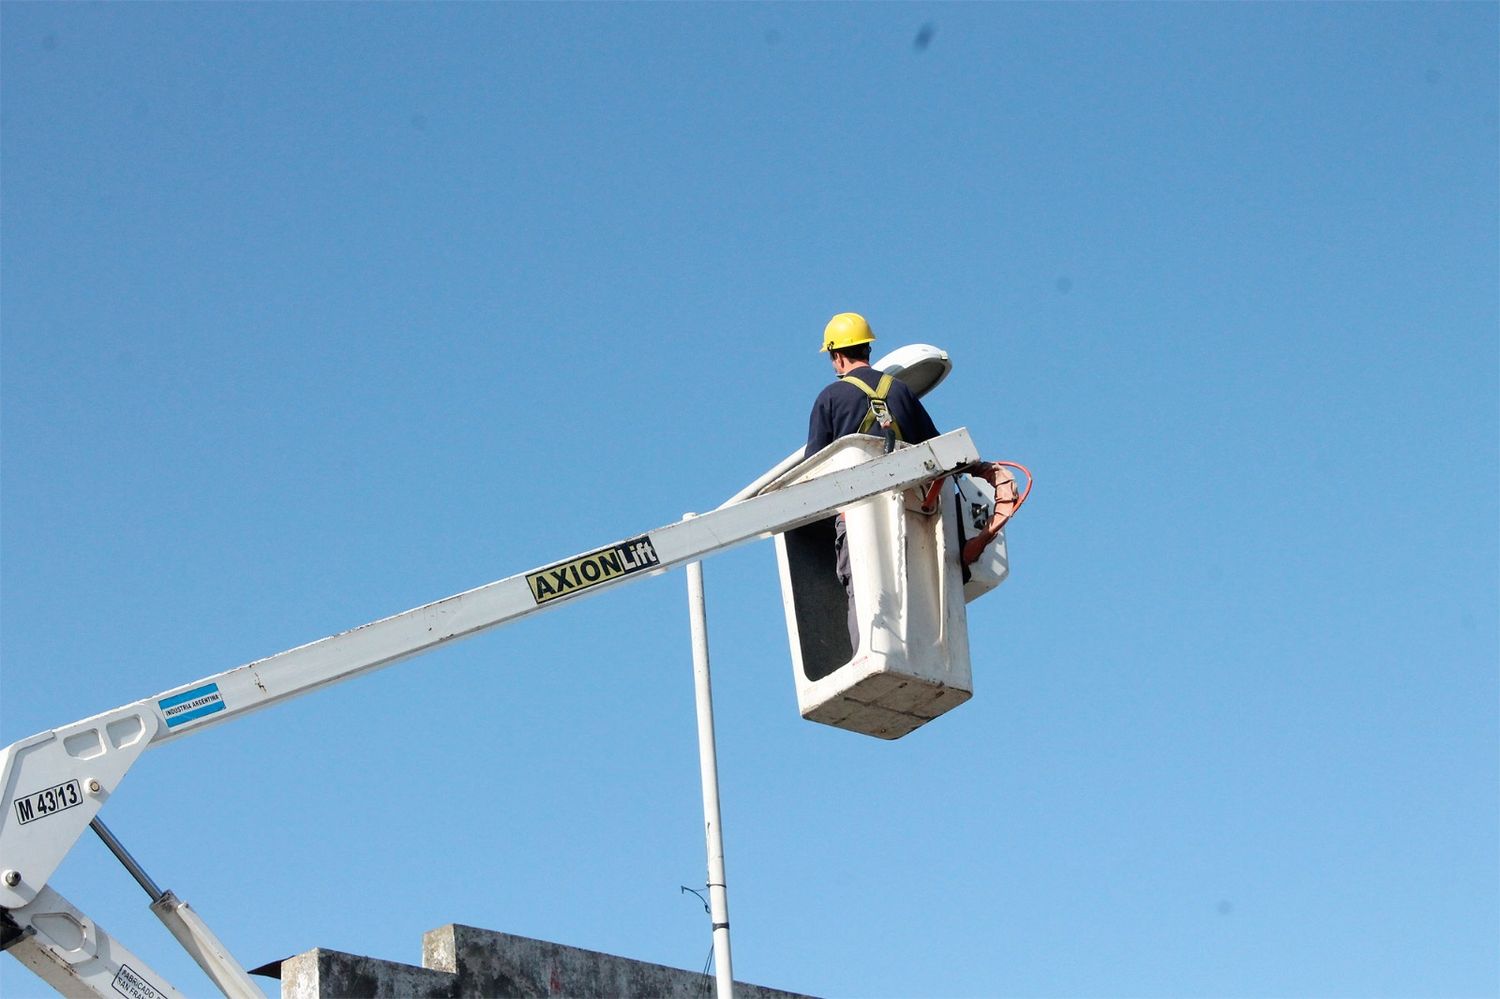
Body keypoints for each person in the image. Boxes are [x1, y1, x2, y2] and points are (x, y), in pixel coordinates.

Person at [804, 312, 940, 653]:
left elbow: (813, 472)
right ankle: (920, 653)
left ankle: (870, 654)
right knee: (912, 585)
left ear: (836, 355)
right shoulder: (902, 392)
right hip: (910, 514)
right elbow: (936, 451)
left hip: (857, 516)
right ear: (867, 348)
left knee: (864, 587)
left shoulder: (831, 398)